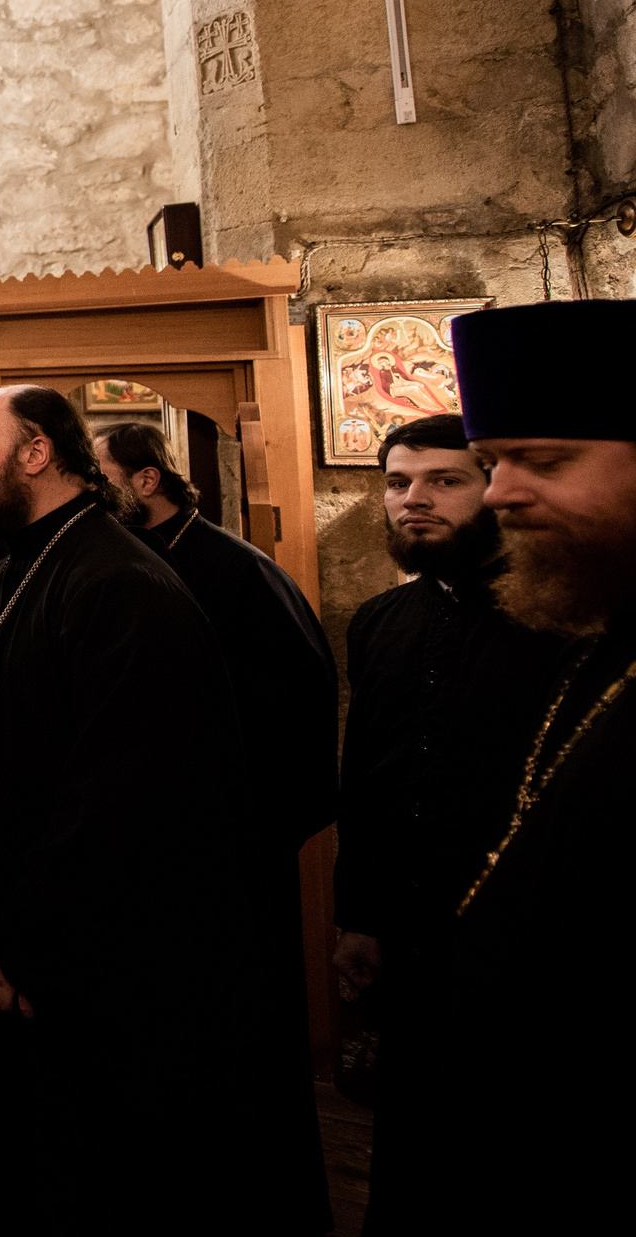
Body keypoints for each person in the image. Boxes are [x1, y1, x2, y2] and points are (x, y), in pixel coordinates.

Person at [0, 385, 260, 1231]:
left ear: (35, 453)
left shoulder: (121, 583)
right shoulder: (4, 572)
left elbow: (128, 790)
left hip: (62, 968)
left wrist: (27, 931)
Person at [365, 303, 636, 1228]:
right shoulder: (392, 622)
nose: (503, 492)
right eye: (497, 463)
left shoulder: (557, 624)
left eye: (543, 461)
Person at [94, 419, 336, 1231]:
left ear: (147, 480)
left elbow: (295, 715)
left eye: (103, 476)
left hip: (229, 848)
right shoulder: (117, 562)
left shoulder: (237, 571)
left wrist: (233, 820)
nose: (95, 493)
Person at [333, 412, 570, 1225]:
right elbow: (363, 782)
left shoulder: (560, 622)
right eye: (398, 483)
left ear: (493, 488)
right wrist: (356, 917)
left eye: (445, 481)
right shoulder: (380, 622)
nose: (414, 500)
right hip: (409, 934)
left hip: (527, 941)